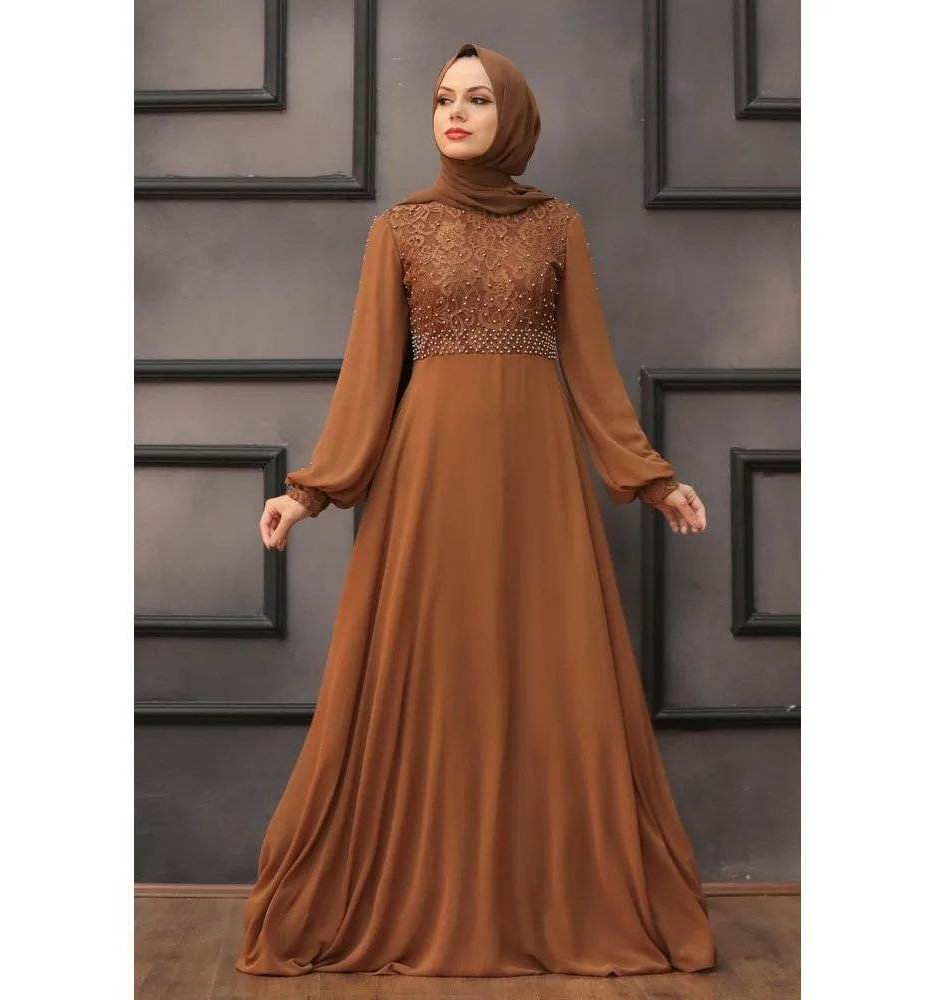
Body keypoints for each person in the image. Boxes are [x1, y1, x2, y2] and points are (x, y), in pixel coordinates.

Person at [238, 43, 716, 978]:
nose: (455, 113)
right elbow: (369, 376)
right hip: (428, 481)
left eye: (479, 99)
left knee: (541, 670)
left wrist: (654, 479)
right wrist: (308, 492)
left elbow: (591, 367)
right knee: (440, 671)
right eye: (443, 98)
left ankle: (543, 896)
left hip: (538, 479)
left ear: (515, 116)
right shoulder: (400, 230)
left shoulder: (557, 226)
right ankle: (430, 891)